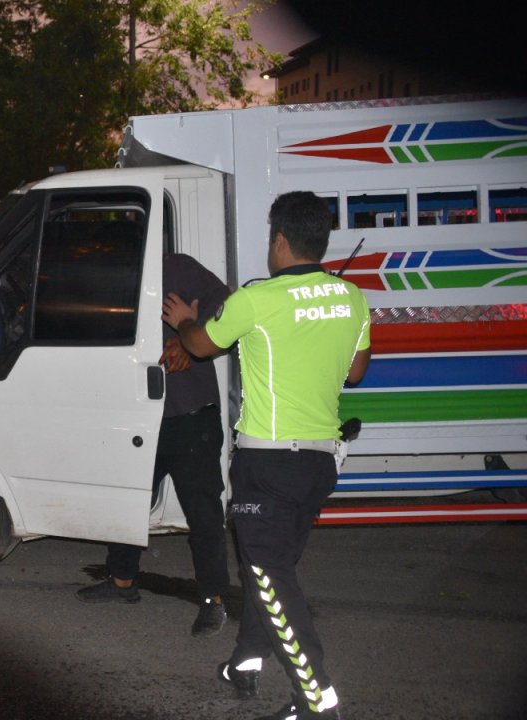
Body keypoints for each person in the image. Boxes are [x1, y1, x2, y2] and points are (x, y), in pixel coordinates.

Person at [163, 192, 371, 720]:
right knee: (269, 570)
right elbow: (355, 372)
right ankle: (247, 659)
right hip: (320, 463)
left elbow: (201, 346)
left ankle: (316, 696)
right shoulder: (352, 298)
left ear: (279, 240)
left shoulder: (258, 299)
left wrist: (186, 318)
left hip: (268, 463)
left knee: (269, 572)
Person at [76, 254, 232, 639]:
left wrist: (187, 337)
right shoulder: (111, 280)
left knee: (204, 514)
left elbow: (228, 305)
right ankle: (122, 582)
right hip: (134, 415)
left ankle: (213, 600)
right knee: (126, 501)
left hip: (190, 415)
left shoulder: (177, 267)